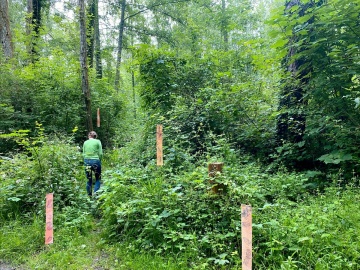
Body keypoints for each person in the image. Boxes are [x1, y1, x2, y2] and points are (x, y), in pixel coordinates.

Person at [83, 131, 103, 196]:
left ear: (89, 136)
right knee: (98, 178)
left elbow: (83, 154)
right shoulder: (98, 142)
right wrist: (99, 160)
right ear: (95, 136)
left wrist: (85, 161)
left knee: (89, 179)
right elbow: (100, 153)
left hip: (87, 161)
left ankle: (89, 196)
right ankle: (96, 195)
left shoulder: (85, 142)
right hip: (96, 161)